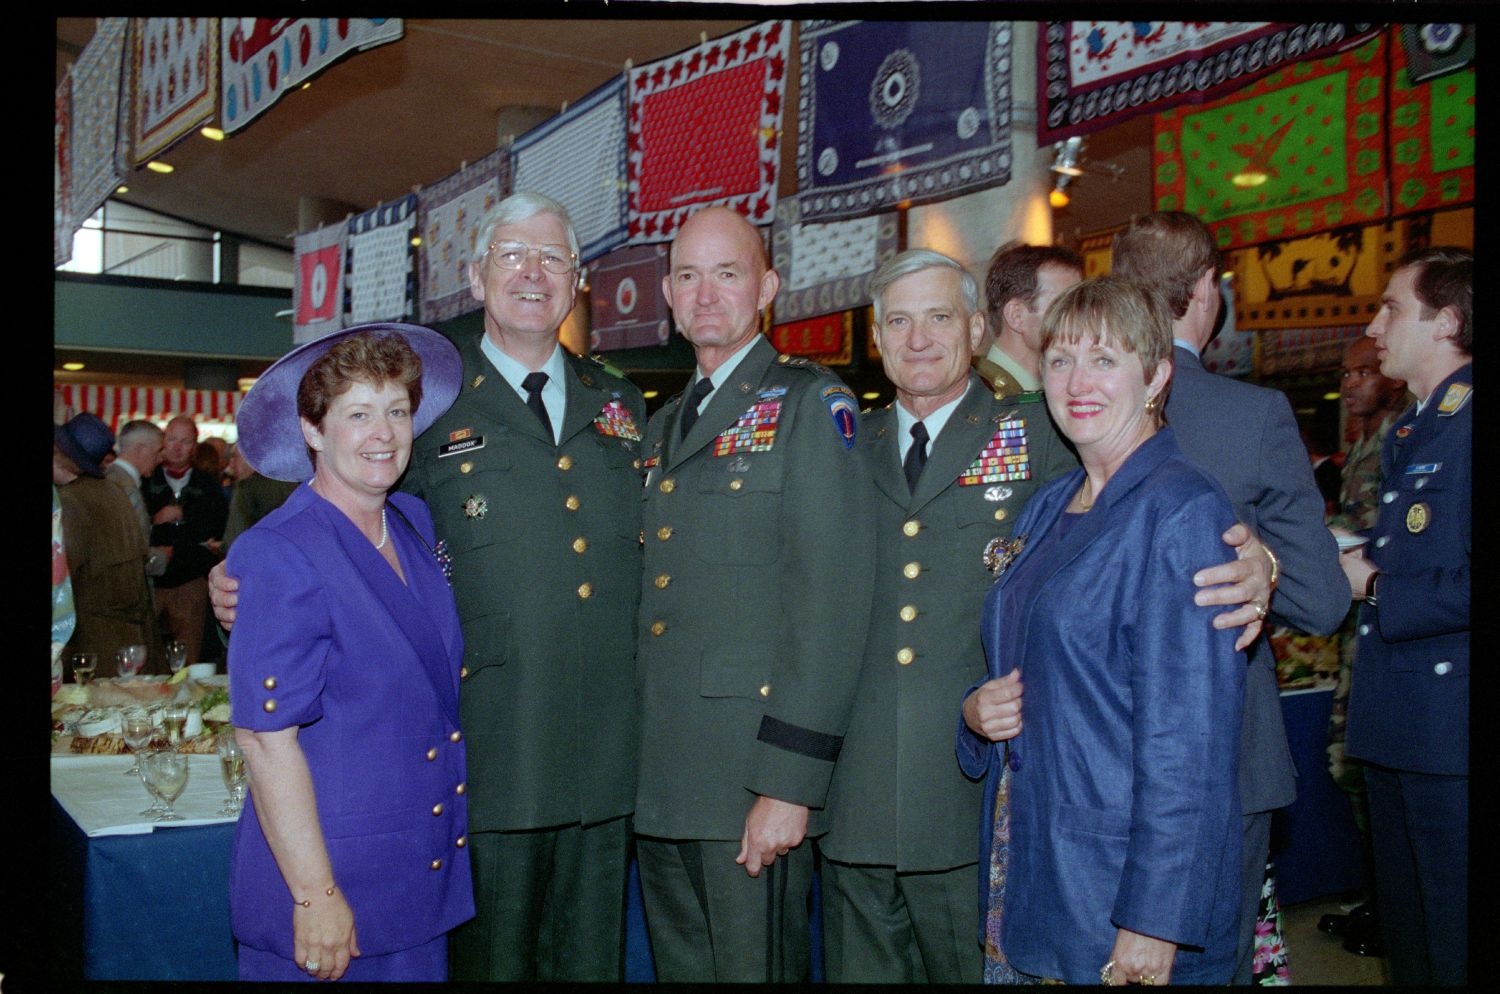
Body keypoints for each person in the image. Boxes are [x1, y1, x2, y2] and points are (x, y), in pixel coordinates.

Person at [214, 191, 647, 982]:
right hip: (480, 769)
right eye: (513, 254)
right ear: (476, 276)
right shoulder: (433, 395)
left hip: (606, 763)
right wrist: (233, 584)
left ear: (578, 281)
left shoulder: (619, 402)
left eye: (553, 258)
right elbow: (318, 540)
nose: (532, 273)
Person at [959, 277, 1246, 985]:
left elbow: (1191, 746)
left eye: (1104, 359)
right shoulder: (1052, 503)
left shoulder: (1181, 513)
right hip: (1028, 877)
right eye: (1060, 360)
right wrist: (975, 713)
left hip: (1114, 899)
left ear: (1157, 376)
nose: (1076, 381)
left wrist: (1154, 921)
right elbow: (1027, 662)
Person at [817, 250, 1075, 983]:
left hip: (975, 797)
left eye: (938, 317)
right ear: (876, 338)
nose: (919, 337)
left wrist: (1254, 558)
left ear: (975, 328)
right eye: (898, 320)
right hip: (855, 798)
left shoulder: (1038, 439)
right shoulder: (839, 448)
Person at [633, 205, 875, 982]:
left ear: (767, 287)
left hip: (749, 780)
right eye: (688, 276)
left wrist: (789, 784)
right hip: (666, 779)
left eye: (727, 273)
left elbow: (831, 606)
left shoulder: (811, 406)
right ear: (668, 294)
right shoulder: (662, 425)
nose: (705, 294)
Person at [1112, 211, 1348, 984]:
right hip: (1225, 753)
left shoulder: (1067, 414)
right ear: (1207, 293)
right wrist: (1265, 566)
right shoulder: (1252, 418)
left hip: (1100, 752)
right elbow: (1320, 604)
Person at [227, 323, 471, 982]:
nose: (384, 433)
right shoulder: (281, 551)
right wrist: (316, 896)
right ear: (312, 431)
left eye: (397, 411)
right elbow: (264, 738)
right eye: (358, 414)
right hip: (334, 889)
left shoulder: (414, 522)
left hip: (418, 876)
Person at [1339, 247, 1470, 987]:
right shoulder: (1415, 429)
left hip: (1448, 730)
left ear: (1446, 321)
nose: (1373, 323)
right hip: (1401, 722)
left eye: (1391, 307)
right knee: (1413, 939)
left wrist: (1378, 584)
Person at [1318, 335, 1408, 955]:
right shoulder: (1362, 443)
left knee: (1364, 765)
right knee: (1348, 763)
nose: (1351, 383)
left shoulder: (1406, 436)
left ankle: (1392, 904)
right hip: (1361, 623)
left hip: (1392, 619)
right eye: (1346, 373)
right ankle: (1383, 896)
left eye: (1364, 372)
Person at [53, 413, 162, 678]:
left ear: (60, 455)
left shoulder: (70, 503)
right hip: (130, 643)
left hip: (88, 652)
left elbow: (62, 585)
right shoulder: (113, 492)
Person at [144, 415, 228, 666]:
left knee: (188, 658)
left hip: (190, 583)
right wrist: (155, 519)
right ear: (162, 441)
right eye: (172, 439)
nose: (177, 447)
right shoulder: (146, 480)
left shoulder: (209, 486)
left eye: (185, 441)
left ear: (194, 446)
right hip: (150, 583)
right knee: (149, 658)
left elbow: (216, 536)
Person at [977, 242, 1085, 396]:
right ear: (1017, 316)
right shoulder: (981, 396)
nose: (1080, 317)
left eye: (1080, 305)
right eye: (1064, 306)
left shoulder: (1064, 386)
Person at [107, 419, 170, 579]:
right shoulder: (124, 488)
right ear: (141, 450)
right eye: (158, 451)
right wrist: (161, 556)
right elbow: (124, 551)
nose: (161, 458)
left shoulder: (111, 478)